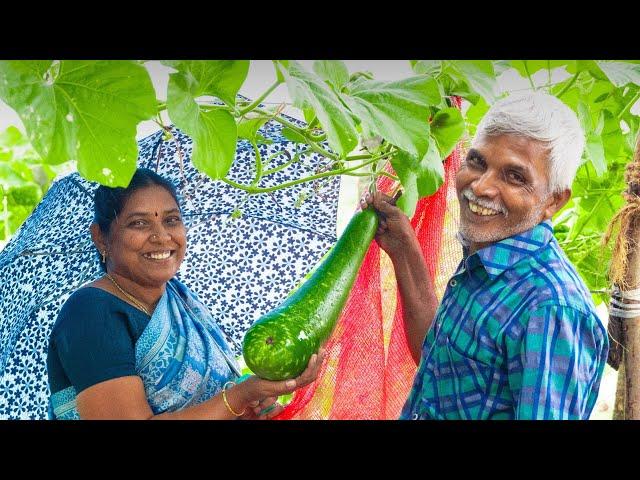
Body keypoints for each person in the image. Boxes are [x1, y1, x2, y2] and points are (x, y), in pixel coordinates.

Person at [361, 92, 609, 420]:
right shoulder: (487, 258)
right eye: (478, 162)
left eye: (514, 176)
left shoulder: (551, 310)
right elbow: (442, 366)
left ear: (553, 202)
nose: (480, 186)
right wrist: (405, 251)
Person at [47, 168, 325, 419]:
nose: (162, 236)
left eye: (171, 220)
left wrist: (246, 409)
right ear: (100, 236)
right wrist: (240, 396)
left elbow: (214, 405)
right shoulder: (90, 313)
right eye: (139, 223)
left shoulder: (182, 301)